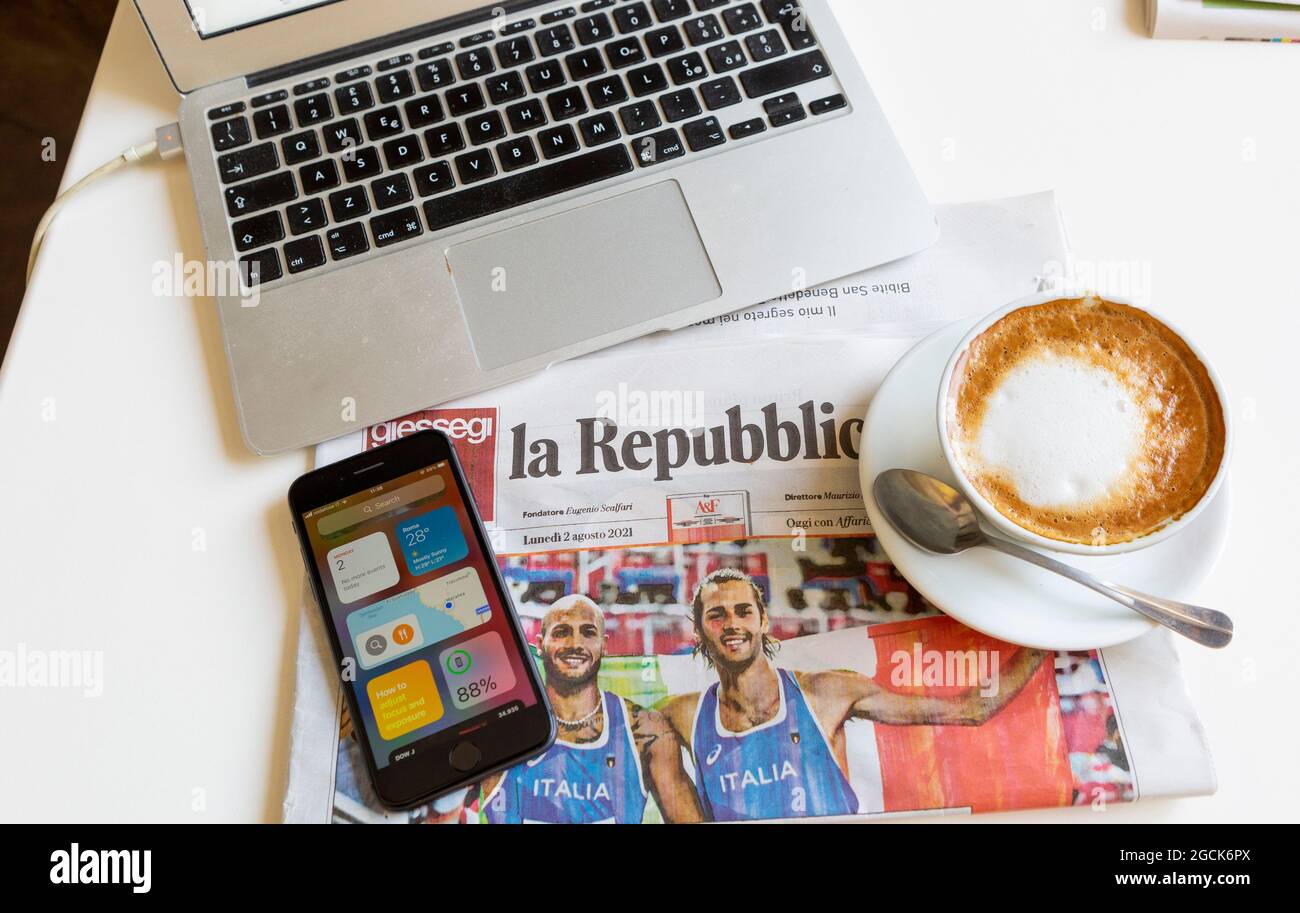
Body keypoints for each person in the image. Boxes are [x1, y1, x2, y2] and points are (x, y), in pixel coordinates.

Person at [657, 569, 1048, 821]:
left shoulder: (824, 692)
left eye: (743, 611)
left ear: (763, 620)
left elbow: (971, 710)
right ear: (699, 631)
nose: (732, 624)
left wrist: (1047, 637)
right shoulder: (683, 716)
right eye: (716, 615)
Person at [479, 595, 703, 823]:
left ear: (604, 645)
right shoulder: (502, 732)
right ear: (540, 644)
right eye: (561, 632)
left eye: (588, 633)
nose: (575, 644)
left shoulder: (644, 731)